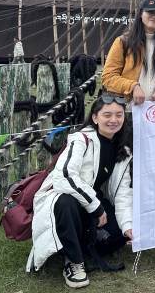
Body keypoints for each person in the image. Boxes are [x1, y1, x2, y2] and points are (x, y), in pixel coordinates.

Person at [26, 95, 133, 288]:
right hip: (66, 198)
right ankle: (73, 261)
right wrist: (96, 207)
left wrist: (128, 226)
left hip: (91, 200)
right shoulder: (81, 139)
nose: (113, 120)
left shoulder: (123, 150)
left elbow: (122, 193)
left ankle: (81, 243)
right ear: (95, 118)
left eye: (119, 115)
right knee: (66, 202)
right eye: (107, 115)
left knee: (119, 234)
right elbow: (64, 177)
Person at [102, 0, 155, 104]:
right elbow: (108, 77)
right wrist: (133, 86)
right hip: (127, 108)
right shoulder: (123, 42)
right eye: (150, 12)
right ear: (141, 14)